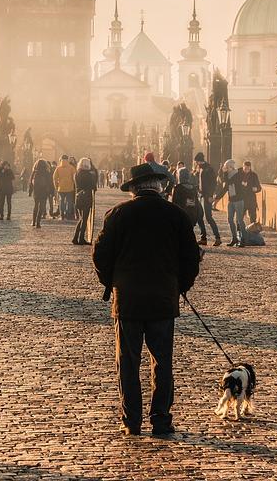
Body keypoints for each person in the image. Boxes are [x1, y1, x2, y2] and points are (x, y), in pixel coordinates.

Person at [93, 163, 200, 437]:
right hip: (163, 299)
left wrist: (112, 283)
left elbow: (100, 256)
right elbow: (191, 259)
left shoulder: (117, 214)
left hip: (127, 300)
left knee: (127, 362)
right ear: (159, 187)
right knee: (161, 362)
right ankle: (161, 420)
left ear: (133, 190)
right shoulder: (176, 215)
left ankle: (132, 422)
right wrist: (179, 286)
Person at [213, 159, 246, 247]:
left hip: (239, 200)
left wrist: (224, 173)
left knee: (240, 220)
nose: (225, 169)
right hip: (231, 200)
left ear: (231, 167)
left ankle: (243, 239)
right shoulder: (228, 175)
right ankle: (234, 238)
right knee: (230, 220)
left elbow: (228, 183)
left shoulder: (237, 175)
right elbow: (225, 188)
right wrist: (216, 199)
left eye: (227, 167)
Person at [194, 153, 221, 246]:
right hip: (201, 195)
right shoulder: (201, 168)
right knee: (199, 216)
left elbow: (213, 183)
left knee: (209, 217)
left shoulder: (208, 169)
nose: (196, 164)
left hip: (207, 196)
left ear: (199, 161)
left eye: (196, 162)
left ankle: (217, 237)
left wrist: (210, 195)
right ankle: (203, 237)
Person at [172, 167, 207, 241]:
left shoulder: (178, 188)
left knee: (182, 235)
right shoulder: (193, 188)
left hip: (182, 214)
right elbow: (195, 202)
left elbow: (174, 203)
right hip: (192, 214)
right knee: (189, 233)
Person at [72, 157, 97, 245]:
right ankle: (81, 238)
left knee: (82, 218)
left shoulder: (76, 174)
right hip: (86, 197)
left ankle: (75, 238)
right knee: (84, 218)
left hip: (78, 197)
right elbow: (94, 187)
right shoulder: (89, 175)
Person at [29, 159, 53, 228]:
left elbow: (30, 182)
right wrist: (50, 192)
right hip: (44, 191)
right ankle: (38, 223)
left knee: (36, 206)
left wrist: (30, 192)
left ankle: (33, 221)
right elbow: (50, 183)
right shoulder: (46, 172)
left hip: (36, 191)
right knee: (41, 207)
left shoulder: (34, 172)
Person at [53, 154, 76, 220]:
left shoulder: (58, 168)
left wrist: (56, 186)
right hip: (70, 187)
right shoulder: (71, 167)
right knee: (69, 202)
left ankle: (62, 215)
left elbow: (54, 178)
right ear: (67, 159)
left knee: (61, 202)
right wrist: (74, 185)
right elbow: (74, 178)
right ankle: (68, 215)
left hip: (61, 188)